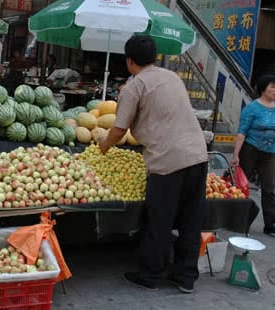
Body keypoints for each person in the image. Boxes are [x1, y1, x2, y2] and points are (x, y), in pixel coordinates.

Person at [98, 35, 208, 294]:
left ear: (129, 60)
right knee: (191, 220)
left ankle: (150, 276)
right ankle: (185, 277)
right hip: (198, 154)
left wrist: (101, 148)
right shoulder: (172, 77)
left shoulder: (134, 86)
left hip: (167, 161)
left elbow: (118, 130)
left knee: (159, 219)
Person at [231, 74, 275, 236]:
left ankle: (270, 224)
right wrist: (236, 154)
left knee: (269, 188)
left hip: (270, 153)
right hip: (250, 149)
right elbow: (242, 132)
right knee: (241, 186)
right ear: (263, 89)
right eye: (272, 87)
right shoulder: (252, 108)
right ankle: (235, 220)